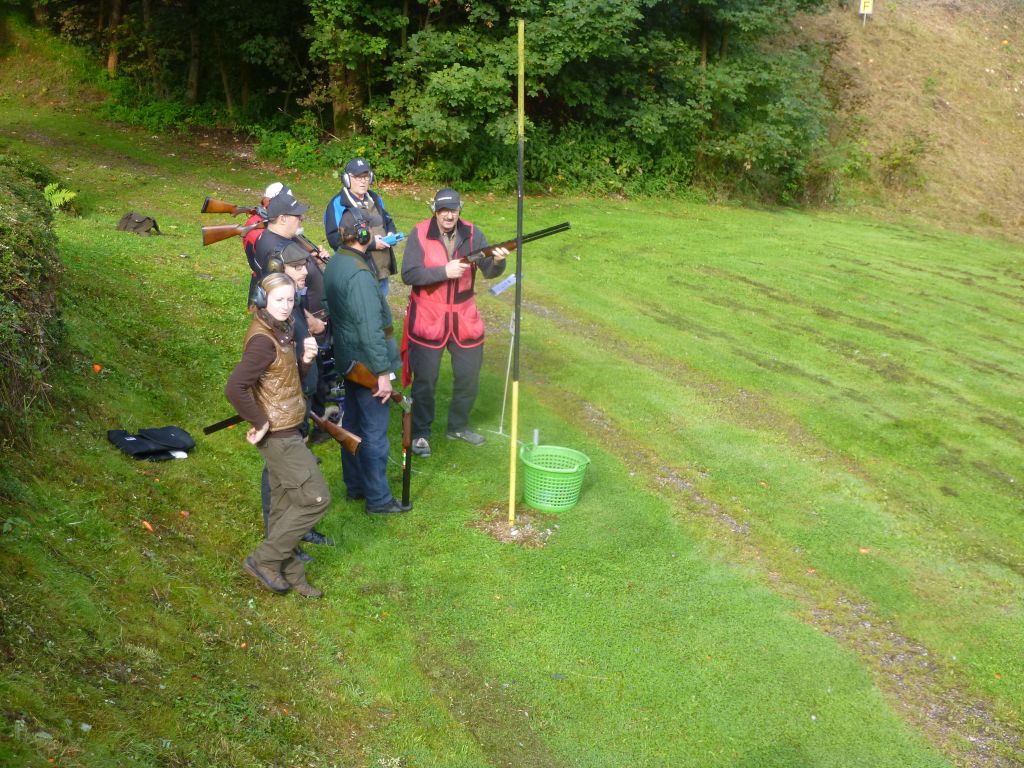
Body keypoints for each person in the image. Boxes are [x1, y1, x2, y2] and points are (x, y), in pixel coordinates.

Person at [225, 272, 330, 598]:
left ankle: (291, 572)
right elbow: (235, 388)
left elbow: (283, 379)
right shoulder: (262, 340)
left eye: (290, 300)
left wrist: (305, 361)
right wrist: (260, 422)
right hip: (279, 437)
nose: (285, 306)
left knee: (284, 507)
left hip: (289, 427)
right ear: (262, 300)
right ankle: (264, 560)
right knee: (316, 499)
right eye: (278, 299)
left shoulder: (280, 329)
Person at [400, 188, 508, 457]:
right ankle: (421, 433)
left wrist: (498, 261)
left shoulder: (473, 233)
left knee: (469, 377)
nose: (449, 216)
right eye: (444, 210)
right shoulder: (419, 233)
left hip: (464, 318)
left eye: (454, 210)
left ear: (460, 210)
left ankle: (458, 426)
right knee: (425, 382)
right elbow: (409, 274)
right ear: (435, 211)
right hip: (428, 317)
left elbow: (489, 271)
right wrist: (444, 272)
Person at [323, 209, 411, 514]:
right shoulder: (359, 273)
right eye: (370, 230)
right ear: (363, 234)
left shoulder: (337, 262)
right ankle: (378, 499)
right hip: (367, 363)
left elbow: (330, 307)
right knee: (374, 433)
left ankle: (356, 486)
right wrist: (383, 373)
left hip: (349, 359)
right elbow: (371, 328)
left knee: (353, 424)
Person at [323, 158, 399, 296]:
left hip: (381, 270)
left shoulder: (375, 198)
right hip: (358, 271)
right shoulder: (337, 204)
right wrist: (372, 244)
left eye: (366, 176)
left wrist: (391, 234)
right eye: (358, 177)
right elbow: (335, 240)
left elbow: (387, 221)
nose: (363, 181)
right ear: (347, 179)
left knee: (381, 307)